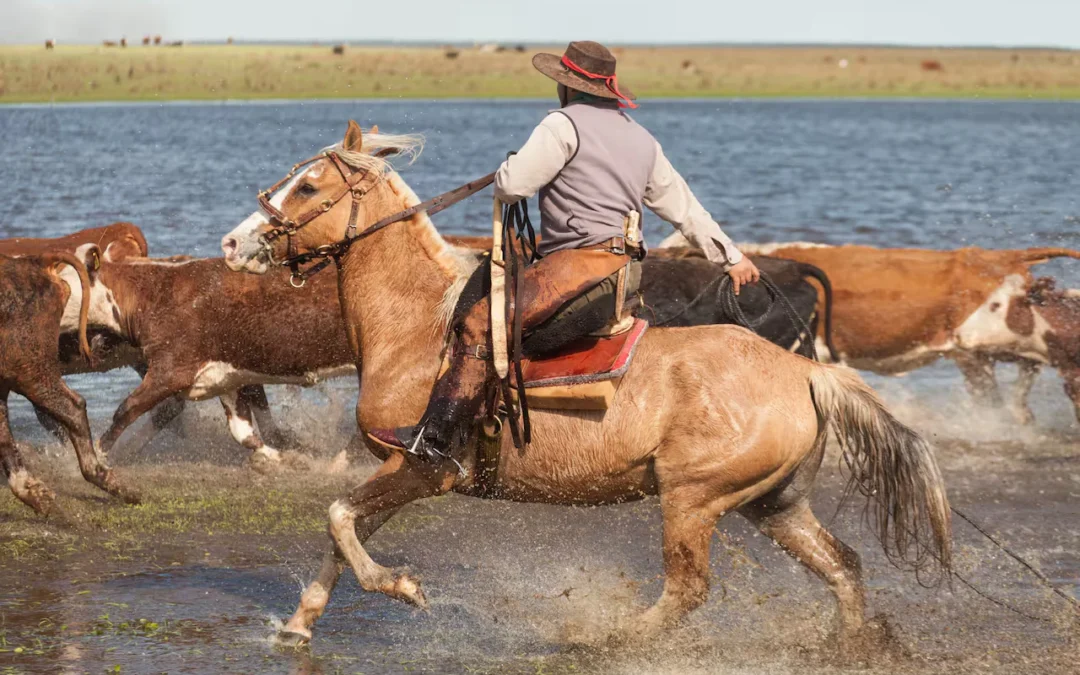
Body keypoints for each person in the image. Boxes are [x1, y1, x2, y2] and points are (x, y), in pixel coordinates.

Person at [371, 40, 760, 462]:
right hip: (622, 273)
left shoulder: (561, 125)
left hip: (579, 269)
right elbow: (683, 208)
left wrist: (510, 166)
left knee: (481, 321)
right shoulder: (642, 139)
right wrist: (732, 258)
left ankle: (434, 439)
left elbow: (512, 186)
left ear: (566, 85)